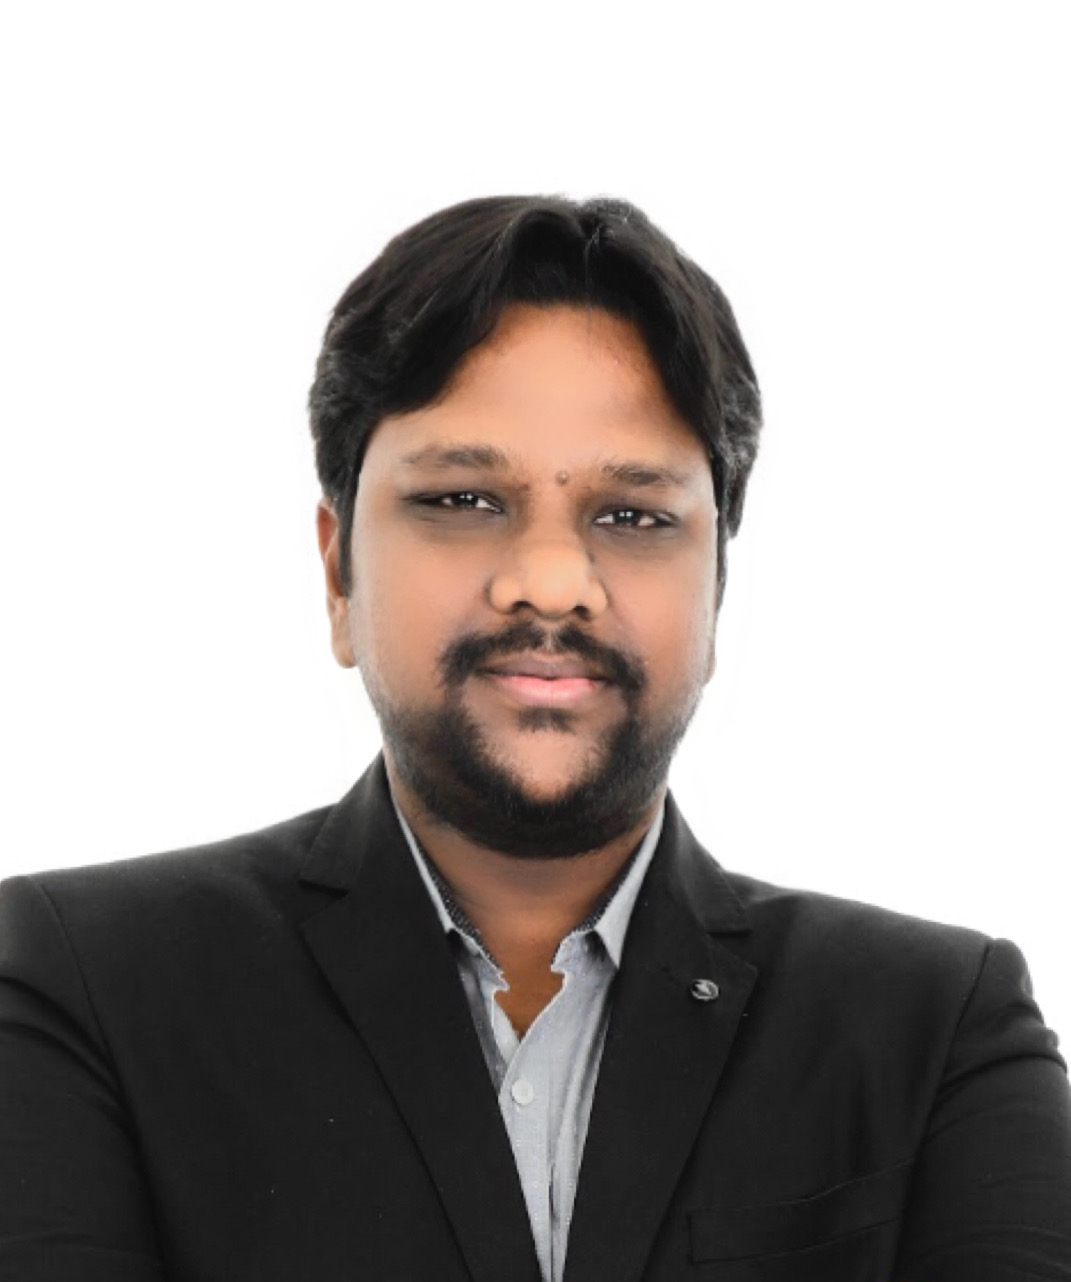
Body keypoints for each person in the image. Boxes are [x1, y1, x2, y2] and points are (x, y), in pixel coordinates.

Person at [1, 195, 1068, 1282]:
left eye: (633, 516)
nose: (552, 582)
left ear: (716, 590)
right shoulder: (82, 986)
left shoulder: (938, 1031)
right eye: (463, 498)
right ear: (338, 573)